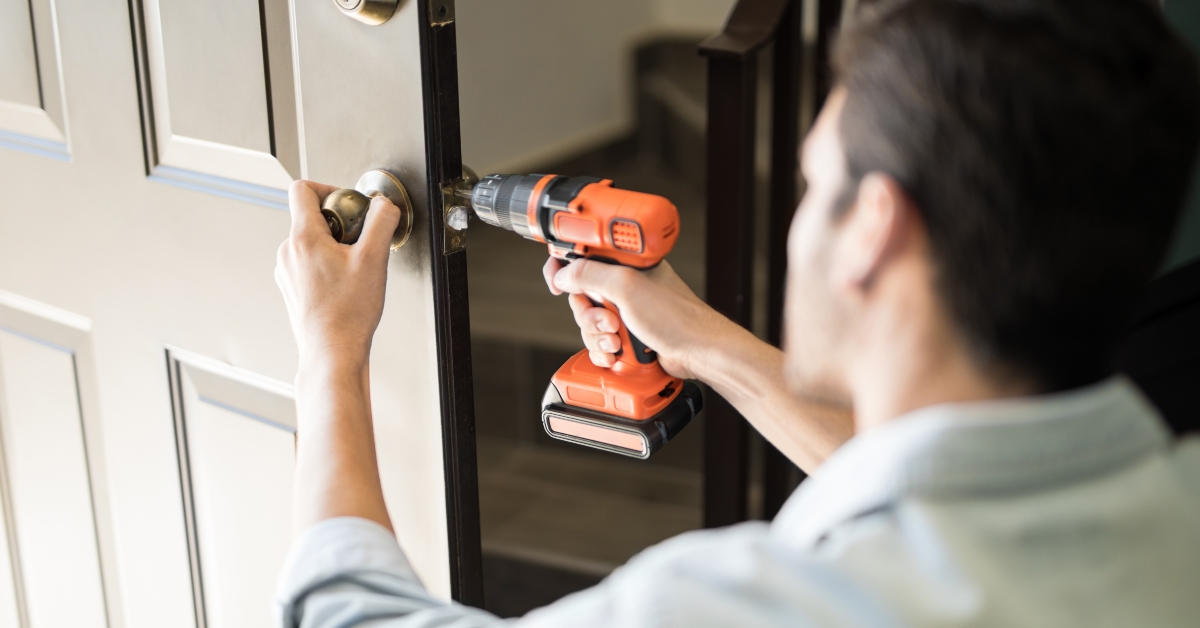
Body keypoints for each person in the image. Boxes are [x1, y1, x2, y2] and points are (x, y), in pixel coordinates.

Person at [271, 0, 1200, 625]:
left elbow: (346, 613)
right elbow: (951, 484)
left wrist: (331, 351)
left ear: (875, 229)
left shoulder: (751, 603)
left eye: (814, 183)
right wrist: (698, 341)